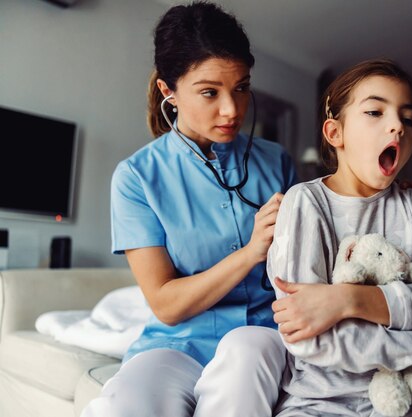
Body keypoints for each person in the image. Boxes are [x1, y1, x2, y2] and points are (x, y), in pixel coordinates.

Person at [81, 2, 299, 417]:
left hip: (260, 337)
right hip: (176, 342)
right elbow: (165, 302)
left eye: (241, 87)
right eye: (209, 92)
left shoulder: (277, 162)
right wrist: (250, 252)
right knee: (128, 404)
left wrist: (390, 194)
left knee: (245, 356)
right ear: (169, 92)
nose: (232, 109)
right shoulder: (136, 177)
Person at [267, 58, 412, 417]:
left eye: (408, 119)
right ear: (334, 133)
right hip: (315, 405)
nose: (397, 127)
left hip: (401, 404)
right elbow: (308, 334)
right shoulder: (305, 203)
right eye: (375, 112)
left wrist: (349, 301)